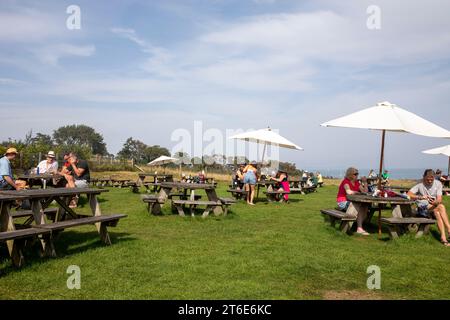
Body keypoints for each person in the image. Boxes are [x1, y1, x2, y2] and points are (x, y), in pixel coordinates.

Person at [407, 169, 450, 247]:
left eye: (432, 179)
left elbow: (439, 199)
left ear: (434, 177)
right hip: (423, 209)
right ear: (423, 177)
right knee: (441, 207)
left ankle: (443, 238)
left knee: (437, 212)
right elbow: (409, 194)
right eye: (428, 179)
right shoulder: (420, 184)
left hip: (433, 206)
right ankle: (449, 229)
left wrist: (435, 202)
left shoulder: (438, 184)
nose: (430, 181)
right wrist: (420, 197)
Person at [336, 167, 370, 236]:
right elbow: (348, 192)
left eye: (357, 174)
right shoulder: (345, 181)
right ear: (350, 174)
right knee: (359, 206)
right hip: (342, 201)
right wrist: (357, 192)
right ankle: (359, 228)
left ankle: (357, 224)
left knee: (365, 206)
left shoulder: (357, 183)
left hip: (352, 201)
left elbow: (365, 191)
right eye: (355, 174)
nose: (357, 175)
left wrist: (365, 183)